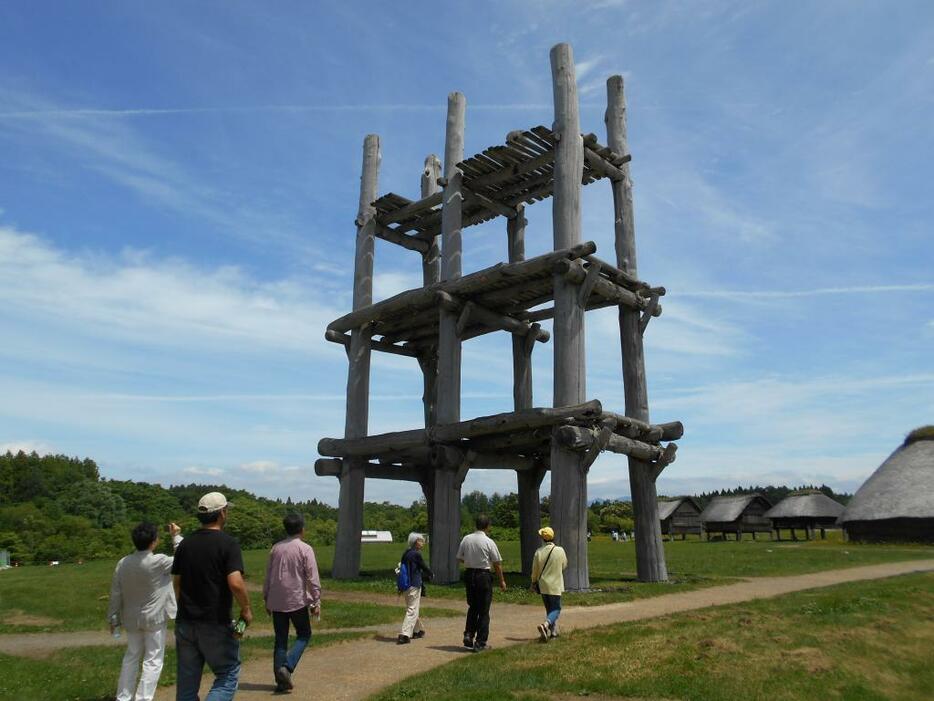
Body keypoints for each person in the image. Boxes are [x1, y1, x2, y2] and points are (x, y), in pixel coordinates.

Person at [172, 491, 252, 701]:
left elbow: (177, 583)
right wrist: (246, 609)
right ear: (222, 513)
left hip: (186, 622)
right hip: (215, 622)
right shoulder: (228, 543)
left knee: (187, 683)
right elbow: (235, 583)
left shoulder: (185, 544)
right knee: (227, 673)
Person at [108, 522, 183, 701]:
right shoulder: (159, 561)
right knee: (153, 660)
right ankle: (143, 698)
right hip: (155, 618)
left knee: (131, 657)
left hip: (131, 619)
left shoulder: (123, 563)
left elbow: (116, 593)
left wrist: (113, 617)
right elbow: (183, 559)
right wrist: (176, 536)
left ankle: (123, 697)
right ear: (154, 541)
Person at [263, 513, 321, 692]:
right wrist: (316, 599)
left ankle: (281, 681)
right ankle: (287, 668)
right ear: (301, 529)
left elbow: (269, 575)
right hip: (296, 599)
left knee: (280, 640)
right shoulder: (305, 549)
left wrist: (266, 597)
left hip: (277, 600)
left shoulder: (276, 548)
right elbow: (312, 577)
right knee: (304, 634)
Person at [456, 514, 506, 652]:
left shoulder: (466, 539)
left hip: (469, 574)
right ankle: (480, 642)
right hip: (483, 576)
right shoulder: (489, 542)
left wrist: (470, 561)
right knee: (484, 611)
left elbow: (460, 558)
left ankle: (468, 634)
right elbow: (497, 563)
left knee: (473, 607)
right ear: (488, 526)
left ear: (476, 525)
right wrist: (501, 580)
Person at [529, 526, 568, 642]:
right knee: (556, 608)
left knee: (549, 609)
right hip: (555, 584)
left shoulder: (538, 552)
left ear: (542, 538)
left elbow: (534, 570)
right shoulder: (560, 550)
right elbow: (564, 565)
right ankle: (546, 625)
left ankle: (553, 632)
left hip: (543, 584)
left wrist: (533, 582)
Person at [397, 532, 433, 645]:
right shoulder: (416, 554)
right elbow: (423, 566)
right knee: (412, 609)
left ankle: (417, 630)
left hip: (406, 585)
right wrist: (431, 573)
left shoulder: (406, 553)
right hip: (414, 584)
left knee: (412, 607)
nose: (422, 543)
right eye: (420, 540)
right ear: (416, 542)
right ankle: (404, 635)